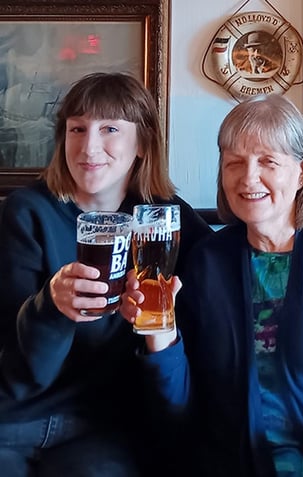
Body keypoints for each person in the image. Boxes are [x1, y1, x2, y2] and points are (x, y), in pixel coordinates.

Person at [123, 94, 303, 476]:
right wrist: (160, 333)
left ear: (301, 173)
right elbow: (179, 408)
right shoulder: (206, 262)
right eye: (234, 163)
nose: (248, 178)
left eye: (267, 161)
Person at [0, 72, 212, 476]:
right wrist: (51, 307)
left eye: (110, 128)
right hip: (15, 415)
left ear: (143, 142)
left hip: (101, 425)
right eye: (77, 129)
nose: (88, 146)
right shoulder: (27, 212)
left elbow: (230, 271)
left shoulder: (164, 220)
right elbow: (26, 375)